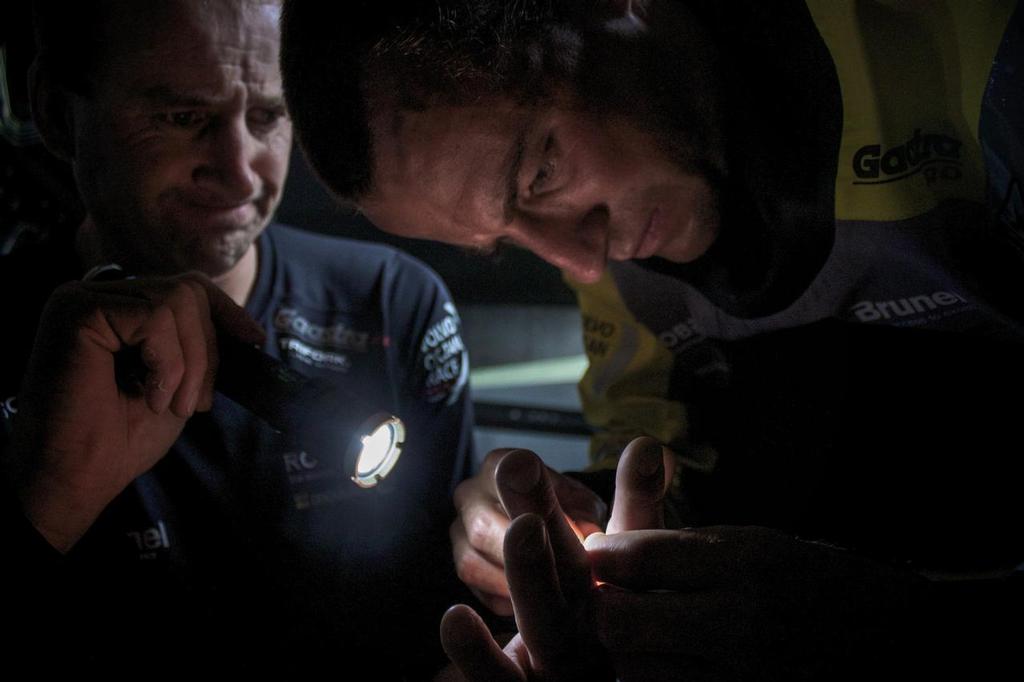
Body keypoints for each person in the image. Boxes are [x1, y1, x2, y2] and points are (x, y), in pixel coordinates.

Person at [279, 0, 1024, 679]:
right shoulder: (622, 272)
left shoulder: (982, 53)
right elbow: (658, 481)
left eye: (540, 172)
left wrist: (917, 632)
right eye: (507, 240)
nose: (582, 259)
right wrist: (556, 521)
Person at [0, 0, 473, 676]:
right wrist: (45, 500)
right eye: (183, 117)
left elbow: (450, 623)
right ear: (55, 112)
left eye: (268, 116)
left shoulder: (395, 308)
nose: (243, 171)